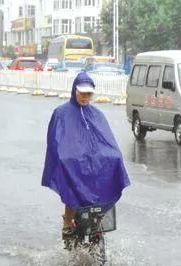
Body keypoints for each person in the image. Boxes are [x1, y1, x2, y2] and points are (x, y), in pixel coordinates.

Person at [41, 72, 130, 244]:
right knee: (70, 182)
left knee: (112, 163)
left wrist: (114, 156)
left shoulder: (97, 115)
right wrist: (65, 158)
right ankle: (68, 222)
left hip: (92, 161)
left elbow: (107, 140)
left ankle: (98, 218)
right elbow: (55, 142)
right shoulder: (61, 114)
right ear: (74, 91)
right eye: (82, 93)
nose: (85, 97)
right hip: (72, 161)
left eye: (88, 93)